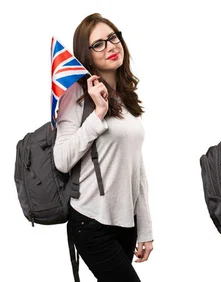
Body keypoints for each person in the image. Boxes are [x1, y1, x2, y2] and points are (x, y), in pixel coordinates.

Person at [54, 13, 153, 282]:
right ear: (86, 56)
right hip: (91, 220)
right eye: (99, 44)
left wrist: (145, 228)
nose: (110, 46)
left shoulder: (125, 96)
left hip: (126, 221)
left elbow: (136, 167)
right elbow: (62, 159)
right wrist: (97, 113)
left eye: (113, 37)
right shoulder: (76, 95)